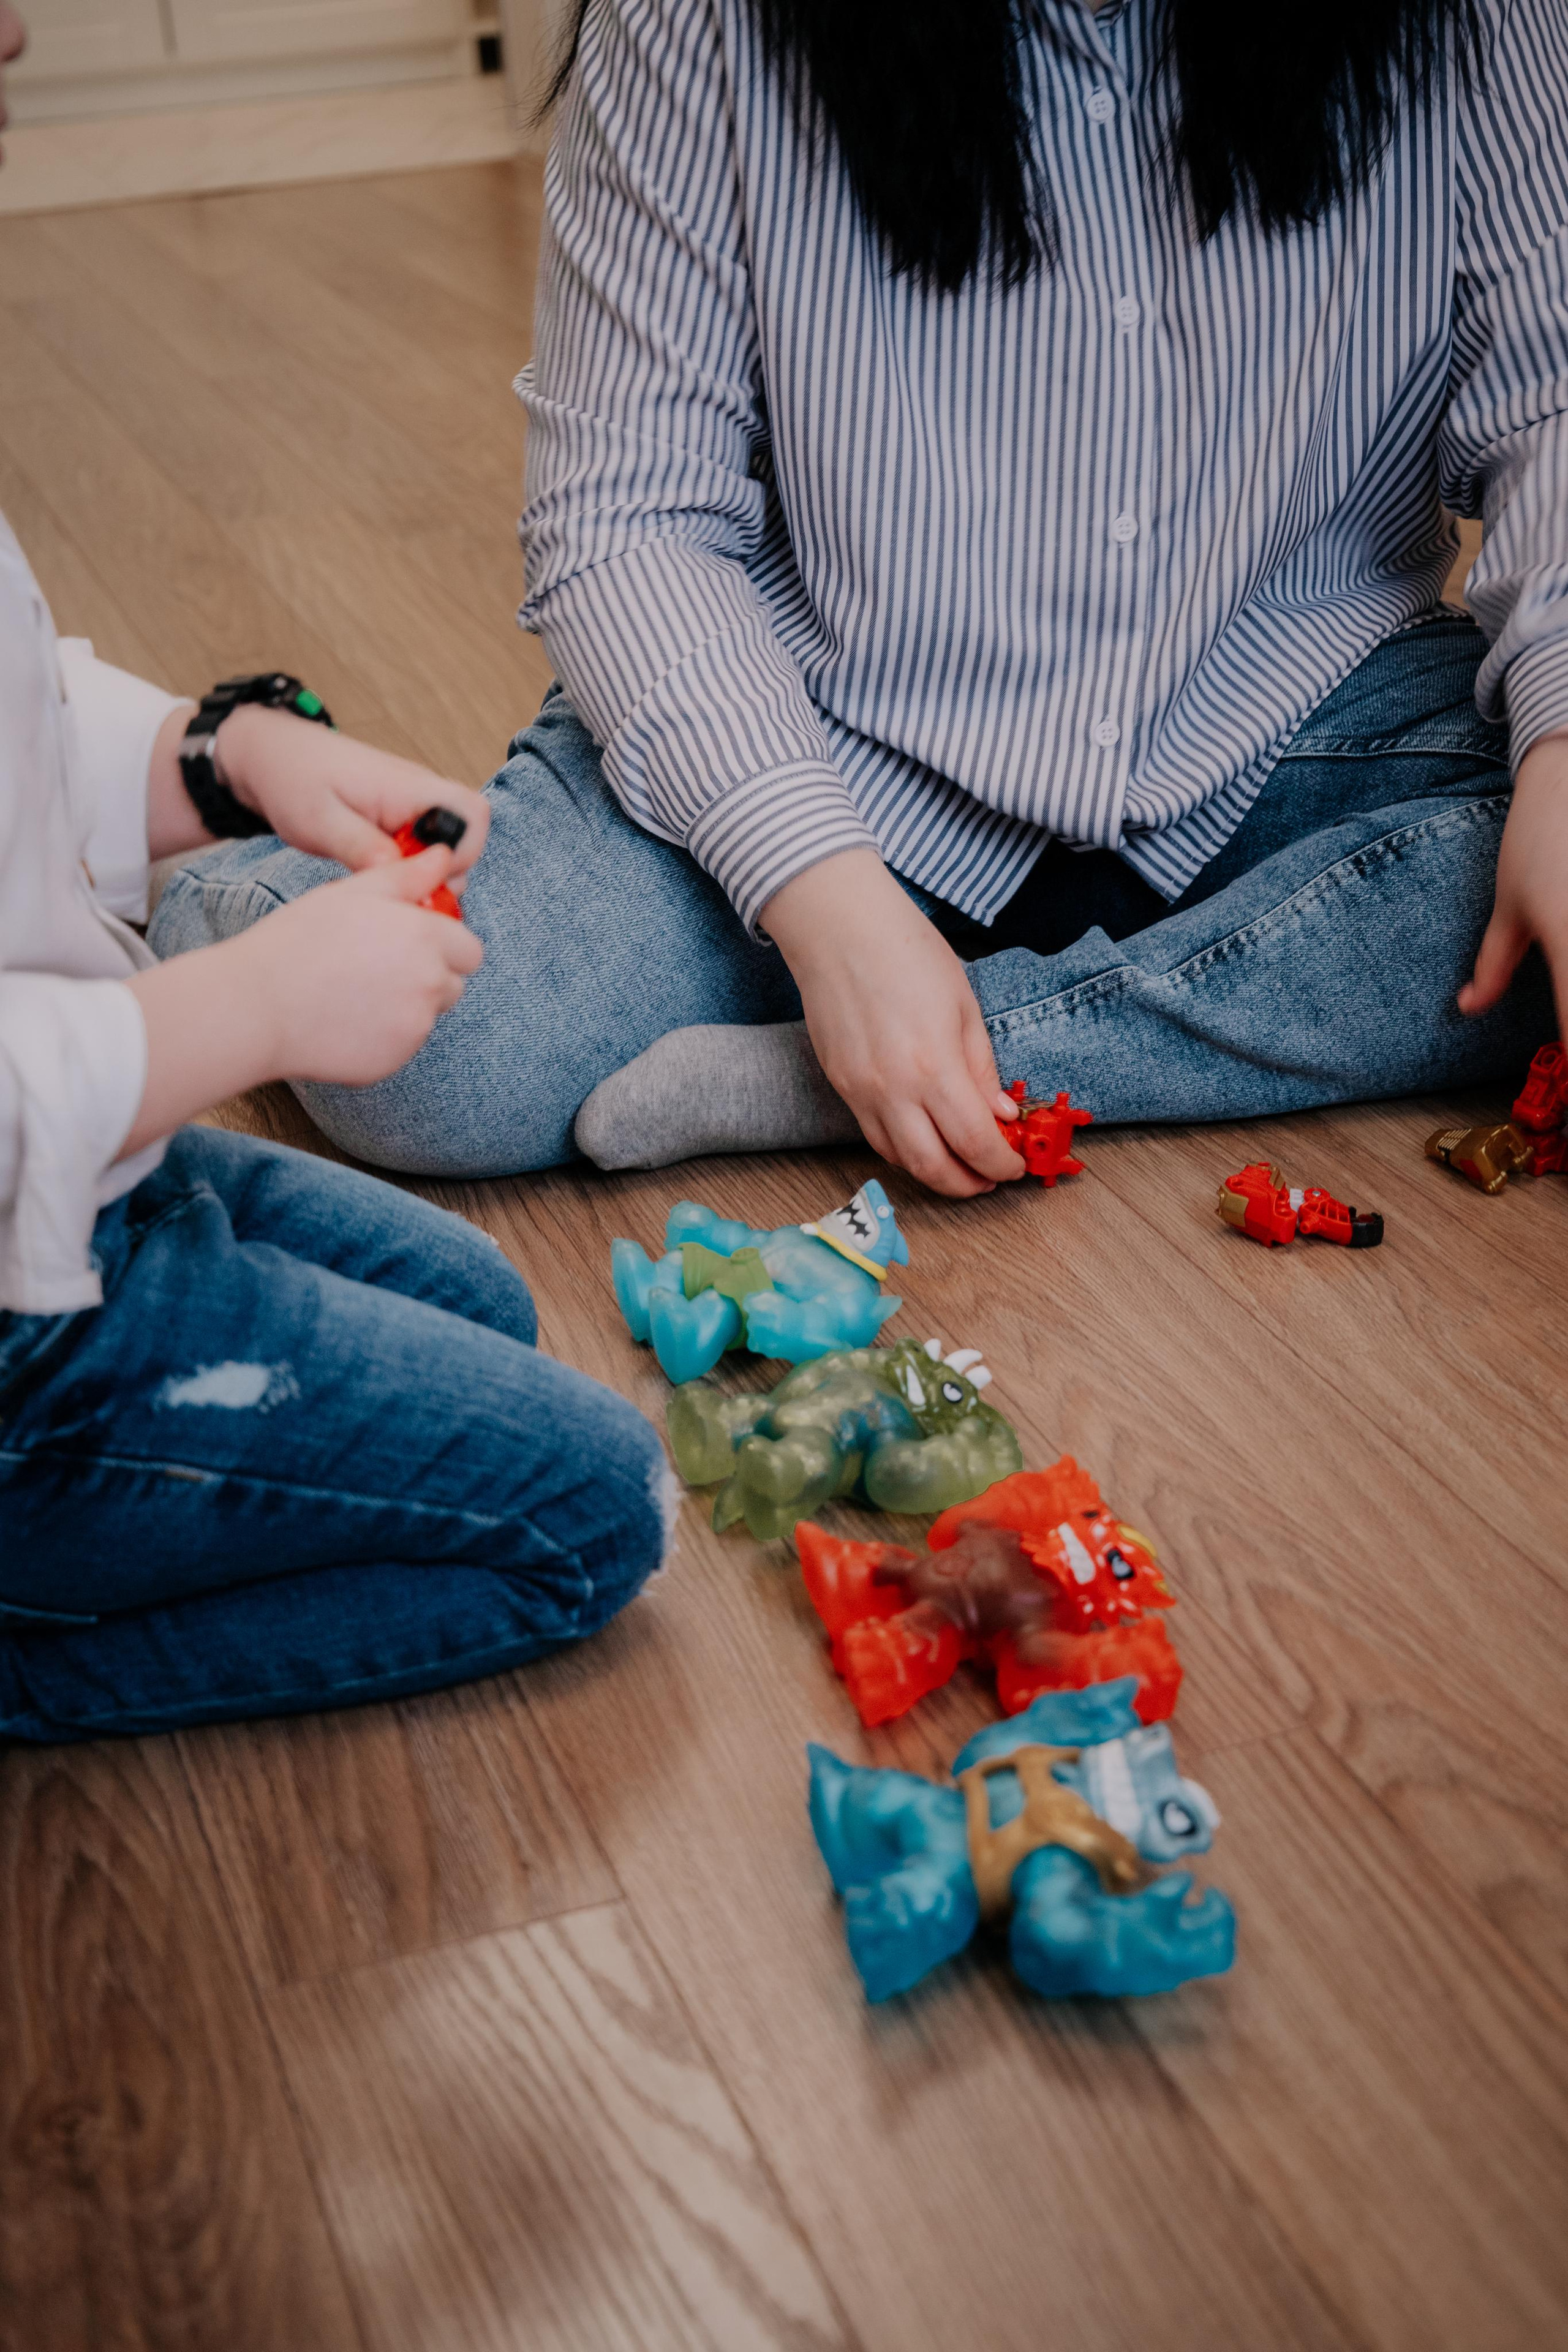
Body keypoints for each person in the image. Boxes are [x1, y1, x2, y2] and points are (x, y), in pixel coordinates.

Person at [151, 0, 1566, 1200]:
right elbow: (625, 517)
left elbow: (1548, 412)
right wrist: (829, 911)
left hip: (1285, 718)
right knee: (438, 1073)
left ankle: (920, 1066)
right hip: (834, 730)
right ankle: (256, 894)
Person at [0, 3, 668, 1744]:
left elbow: (22, 711)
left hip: (87, 1178)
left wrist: (224, 756)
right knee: (589, 1517)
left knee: (488, 1303)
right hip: (23, 1295)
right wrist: (242, 1011)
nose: (13, 33)